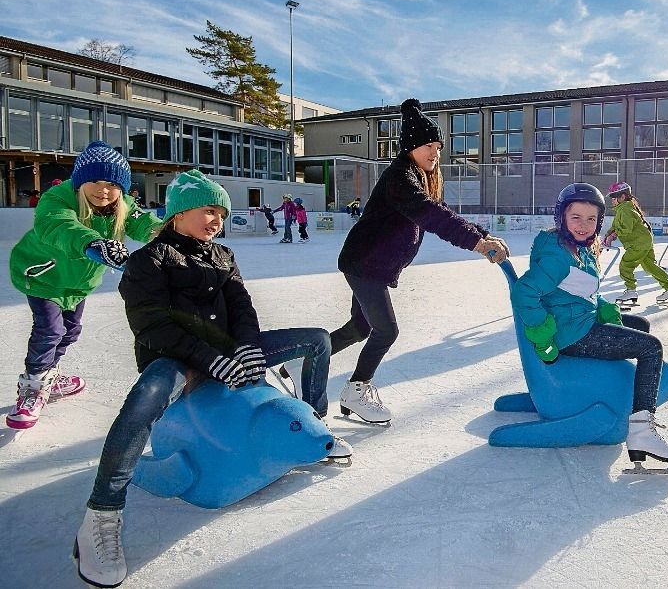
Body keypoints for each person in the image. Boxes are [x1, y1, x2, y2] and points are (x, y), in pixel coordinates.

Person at [74, 169, 349, 588]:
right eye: (208, 210)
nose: (217, 220)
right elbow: (152, 327)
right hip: (177, 360)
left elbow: (241, 305)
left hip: (226, 353)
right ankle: (102, 513)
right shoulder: (148, 260)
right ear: (179, 212)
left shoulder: (222, 255)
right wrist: (207, 360)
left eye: (221, 212)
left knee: (316, 340)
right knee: (146, 395)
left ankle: (313, 424)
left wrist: (247, 346)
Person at [329, 98, 510, 423]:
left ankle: (305, 358)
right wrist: (478, 244)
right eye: (428, 145)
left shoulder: (419, 176)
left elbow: (442, 211)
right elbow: (430, 215)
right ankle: (357, 389)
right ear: (410, 147)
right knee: (386, 331)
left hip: (373, 265)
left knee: (360, 328)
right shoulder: (400, 177)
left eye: (438, 146)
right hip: (365, 263)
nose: (434, 152)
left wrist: (483, 234)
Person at [511, 182, 668, 465]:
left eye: (591, 219)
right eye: (576, 217)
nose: (584, 225)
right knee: (651, 348)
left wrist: (602, 307)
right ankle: (642, 432)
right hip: (571, 333)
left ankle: (620, 395)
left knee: (639, 325)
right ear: (561, 217)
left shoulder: (576, 247)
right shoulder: (559, 255)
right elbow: (525, 292)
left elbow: (577, 291)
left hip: (578, 319)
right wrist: (540, 330)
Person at [6, 141, 161, 430]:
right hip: (44, 276)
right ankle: (33, 386)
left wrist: (169, 236)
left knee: (71, 331)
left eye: (113, 184)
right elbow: (58, 226)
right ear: (79, 182)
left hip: (78, 283)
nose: (104, 190)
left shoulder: (122, 205)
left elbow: (145, 224)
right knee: (49, 330)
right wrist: (92, 243)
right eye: (95, 181)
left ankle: (50, 373)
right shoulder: (58, 198)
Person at [601, 181, 668, 304]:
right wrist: (607, 236)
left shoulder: (625, 209)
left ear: (623, 196)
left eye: (613, 197)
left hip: (638, 244)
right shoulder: (624, 208)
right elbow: (616, 226)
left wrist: (613, 236)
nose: (612, 200)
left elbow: (626, 228)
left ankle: (631, 291)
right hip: (644, 241)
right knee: (651, 267)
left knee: (625, 266)